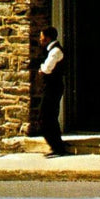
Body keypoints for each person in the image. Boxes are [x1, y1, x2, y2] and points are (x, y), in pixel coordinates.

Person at [36, 26, 69, 157]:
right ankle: (55, 144)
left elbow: (47, 68)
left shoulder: (55, 51)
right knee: (48, 116)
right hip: (51, 87)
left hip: (53, 87)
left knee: (47, 116)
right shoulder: (51, 50)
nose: (40, 39)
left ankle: (57, 146)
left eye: (41, 37)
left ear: (48, 38)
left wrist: (41, 68)